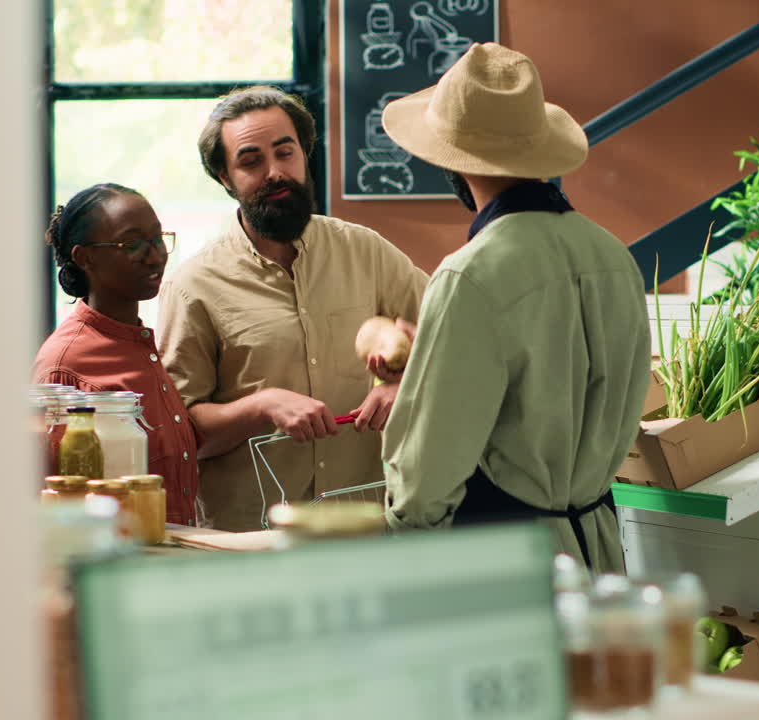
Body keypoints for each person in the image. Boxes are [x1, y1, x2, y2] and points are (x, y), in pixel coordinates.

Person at [378, 43, 651, 573]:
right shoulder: (614, 257)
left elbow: (427, 469)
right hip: (600, 552)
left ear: (450, 160)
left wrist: (405, 545)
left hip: (505, 566)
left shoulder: (470, 275)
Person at [157, 86, 428, 531]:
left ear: (306, 154)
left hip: (366, 526)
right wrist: (259, 406)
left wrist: (407, 385)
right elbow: (181, 435)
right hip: (251, 542)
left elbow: (451, 339)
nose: (275, 172)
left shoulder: (366, 251)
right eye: (250, 161)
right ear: (224, 177)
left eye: (286, 153)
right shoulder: (194, 286)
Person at [32, 183, 201, 526]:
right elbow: (49, 504)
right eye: (133, 244)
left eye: (157, 239)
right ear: (85, 257)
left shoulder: (139, 342)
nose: (154, 256)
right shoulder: (65, 364)